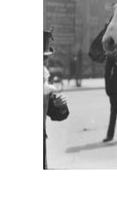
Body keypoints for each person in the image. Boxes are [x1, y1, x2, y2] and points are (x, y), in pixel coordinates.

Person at [43, 30, 68, 169]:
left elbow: (55, 113)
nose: (45, 63)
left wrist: (60, 106)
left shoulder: (43, 80)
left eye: (45, 58)